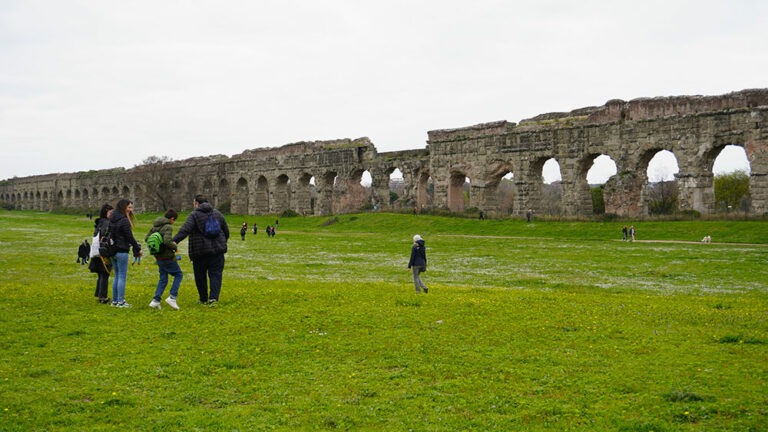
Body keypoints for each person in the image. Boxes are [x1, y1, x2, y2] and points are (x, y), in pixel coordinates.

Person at [172, 195, 229, 306]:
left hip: (200, 251)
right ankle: (213, 299)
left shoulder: (194, 215)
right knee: (216, 275)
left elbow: (185, 229)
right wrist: (222, 242)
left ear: (196, 203)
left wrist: (174, 241)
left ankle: (203, 299)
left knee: (200, 276)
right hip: (217, 251)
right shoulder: (218, 214)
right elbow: (225, 230)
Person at [146, 209, 182, 310]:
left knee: (163, 278)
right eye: (174, 220)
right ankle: (172, 297)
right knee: (179, 274)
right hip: (167, 256)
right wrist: (174, 246)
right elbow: (167, 241)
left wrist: (157, 244)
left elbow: (147, 238)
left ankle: (155, 301)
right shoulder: (168, 227)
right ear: (172, 218)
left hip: (158, 256)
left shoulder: (155, 226)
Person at [109, 199, 142, 308]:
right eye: (129, 207)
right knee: (122, 276)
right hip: (122, 250)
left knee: (117, 276)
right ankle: (121, 301)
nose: (130, 210)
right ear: (123, 207)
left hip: (113, 250)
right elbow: (129, 237)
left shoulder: (113, 219)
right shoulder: (124, 220)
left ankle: (115, 301)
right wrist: (137, 248)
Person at [89, 203, 113, 304]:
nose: (112, 214)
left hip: (97, 250)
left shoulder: (100, 222)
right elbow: (105, 235)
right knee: (104, 273)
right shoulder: (106, 223)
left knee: (101, 274)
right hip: (103, 251)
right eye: (110, 212)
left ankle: (99, 295)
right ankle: (103, 297)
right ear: (106, 213)